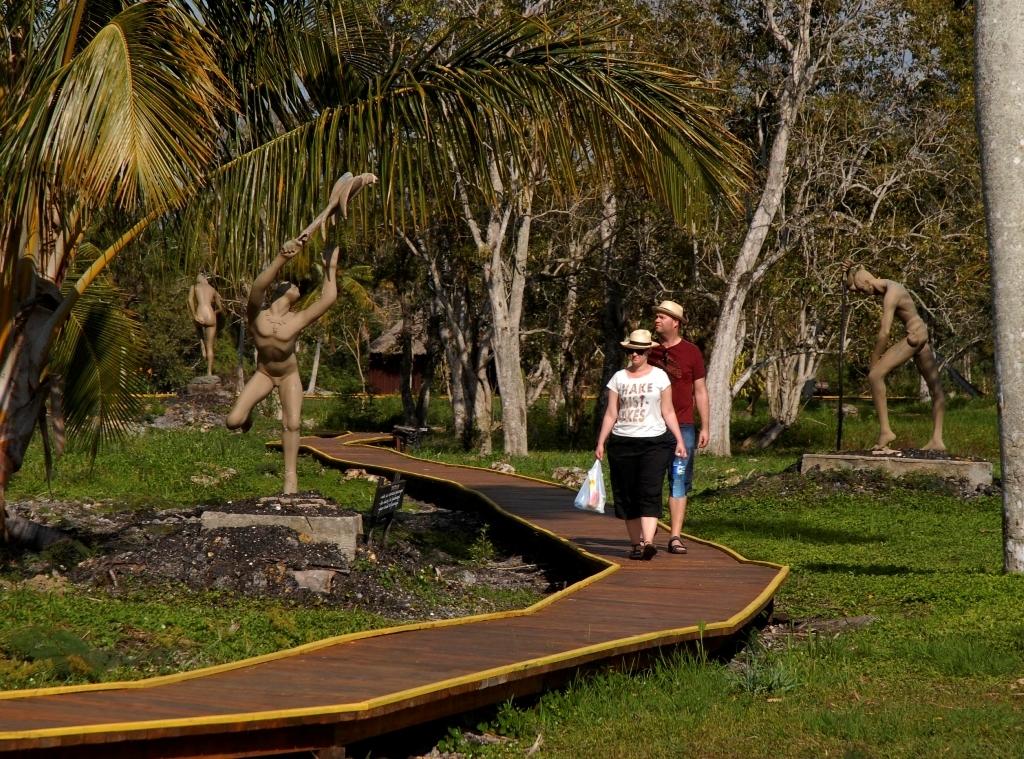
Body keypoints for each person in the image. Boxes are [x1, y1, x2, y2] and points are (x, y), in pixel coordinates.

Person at [226, 171, 377, 493]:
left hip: (288, 374)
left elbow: (328, 298)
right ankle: (248, 414)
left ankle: (290, 479)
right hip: (264, 373)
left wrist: (330, 267)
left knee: (292, 423)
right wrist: (280, 258)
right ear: (280, 290)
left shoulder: (298, 319)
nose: (296, 285)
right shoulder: (257, 316)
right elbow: (257, 287)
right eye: (290, 283)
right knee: (233, 421)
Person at [596, 329, 686, 561]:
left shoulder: (660, 377)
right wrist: (601, 442)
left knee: (650, 489)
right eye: (630, 351)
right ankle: (636, 544)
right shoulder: (618, 378)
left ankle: (648, 543)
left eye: (639, 351)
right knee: (627, 494)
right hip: (622, 442)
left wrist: (679, 439)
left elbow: (668, 411)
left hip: (654, 442)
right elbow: (611, 413)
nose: (634, 355)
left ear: (647, 353)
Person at [846, 266, 945, 451]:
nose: (863, 294)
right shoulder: (886, 286)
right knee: (936, 388)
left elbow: (885, 332)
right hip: (921, 334)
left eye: (862, 290)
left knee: (875, 376)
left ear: (867, 283)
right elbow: (851, 287)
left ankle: (886, 431)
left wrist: (874, 360)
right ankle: (937, 440)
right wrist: (848, 272)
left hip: (914, 336)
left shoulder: (892, 294)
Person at [648, 300, 709, 556]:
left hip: (683, 426)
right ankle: (647, 535)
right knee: (650, 480)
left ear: (676, 323)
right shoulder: (647, 351)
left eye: (663, 316)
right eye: (657, 315)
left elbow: (700, 390)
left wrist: (705, 426)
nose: (657, 319)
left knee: (679, 479)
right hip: (651, 426)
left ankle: (675, 536)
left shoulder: (692, 352)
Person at [187, 273, 223, 377]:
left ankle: (201, 342)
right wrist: (214, 313)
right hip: (211, 315)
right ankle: (209, 372)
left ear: (199, 279)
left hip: (200, 313)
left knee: (197, 326)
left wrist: (194, 315)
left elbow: (189, 300)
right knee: (210, 346)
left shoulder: (194, 286)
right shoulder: (213, 289)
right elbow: (221, 308)